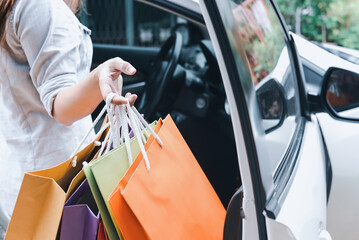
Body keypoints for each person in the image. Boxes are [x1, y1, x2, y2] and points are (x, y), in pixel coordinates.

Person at [0, 0, 137, 237]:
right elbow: (60, 105)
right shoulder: (40, 5)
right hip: (59, 188)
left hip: (29, 183)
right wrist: (98, 80)